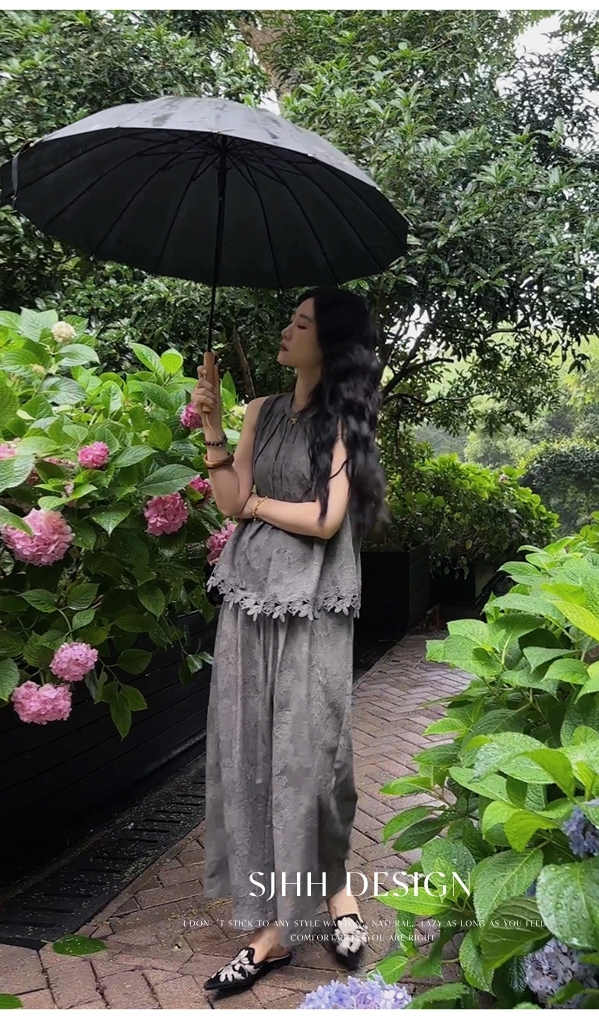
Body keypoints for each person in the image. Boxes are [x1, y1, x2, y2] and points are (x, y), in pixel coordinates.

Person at [192, 287, 390, 994]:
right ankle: (277, 926)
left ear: (329, 344)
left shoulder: (345, 422)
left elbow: (326, 519)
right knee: (252, 749)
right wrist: (213, 431)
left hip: (314, 603)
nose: (286, 330)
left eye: (302, 323)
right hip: (250, 596)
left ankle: (331, 891)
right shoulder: (259, 411)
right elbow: (229, 500)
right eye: (291, 319)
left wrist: (254, 505)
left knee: (313, 755)